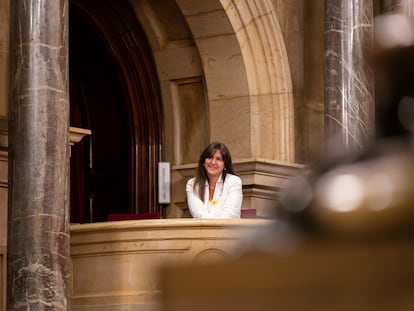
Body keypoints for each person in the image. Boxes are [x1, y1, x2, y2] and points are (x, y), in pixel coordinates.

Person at [186, 142, 243, 218]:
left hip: (228, 229)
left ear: (225, 164)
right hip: (203, 229)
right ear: (203, 161)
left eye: (218, 159)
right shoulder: (192, 184)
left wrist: (215, 227)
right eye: (210, 157)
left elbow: (230, 214)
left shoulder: (234, 182)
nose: (213, 162)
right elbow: (198, 213)